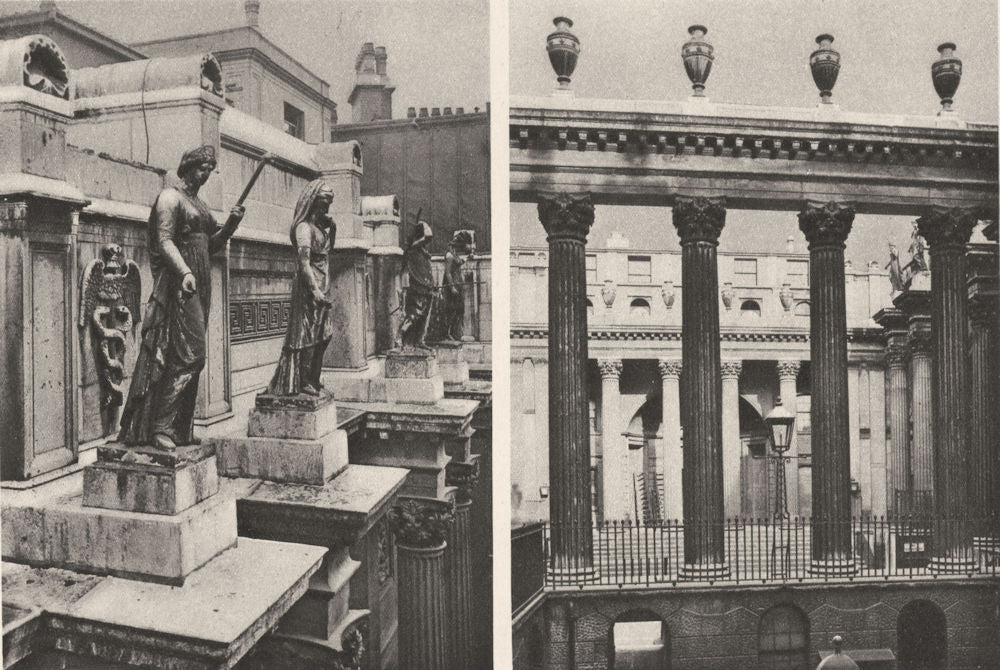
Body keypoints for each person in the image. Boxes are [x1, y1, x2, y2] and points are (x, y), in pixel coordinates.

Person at [118, 145, 244, 450]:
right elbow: (164, 241)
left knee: (191, 359)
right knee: (190, 355)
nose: (207, 174)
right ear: (188, 166)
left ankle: (180, 428)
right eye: (203, 167)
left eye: (210, 169)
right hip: (179, 286)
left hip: (199, 285)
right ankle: (160, 426)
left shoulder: (199, 205)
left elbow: (211, 245)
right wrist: (185, 272)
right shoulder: (170, 198)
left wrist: (230, 226)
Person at [265, 180, 336, 396]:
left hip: (322, 284)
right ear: (313, 201)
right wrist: (314, 291)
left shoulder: (319, 229)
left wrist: (332, 227)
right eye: (324, 202)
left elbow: (327, 250)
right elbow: (304, 262)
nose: (327, 207)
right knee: (308, 335)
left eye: (329, 203)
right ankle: (303, 380)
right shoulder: (304, 228)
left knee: (325, 334)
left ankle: (314, 378)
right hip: (309, 287)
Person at [397, 219, 434, 351]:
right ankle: (400, 338)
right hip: (416, 291)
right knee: (413, 316)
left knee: (423, 318)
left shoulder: (423, 254)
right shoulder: (412, 253)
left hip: (426, 291)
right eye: (425, 240)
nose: (426, 244)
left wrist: (430, 285)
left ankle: (419, 340)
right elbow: (409, 273)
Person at [441, 230, 474, 341]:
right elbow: (448, 273)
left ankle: (454, 333)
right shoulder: (450, 255)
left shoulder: (454, 254)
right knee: (451, 310)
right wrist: (452, 287)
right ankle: (446, 332)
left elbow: (459, 262)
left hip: (457, 286)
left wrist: (467, 258)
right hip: (452, 288)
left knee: (458, 310)